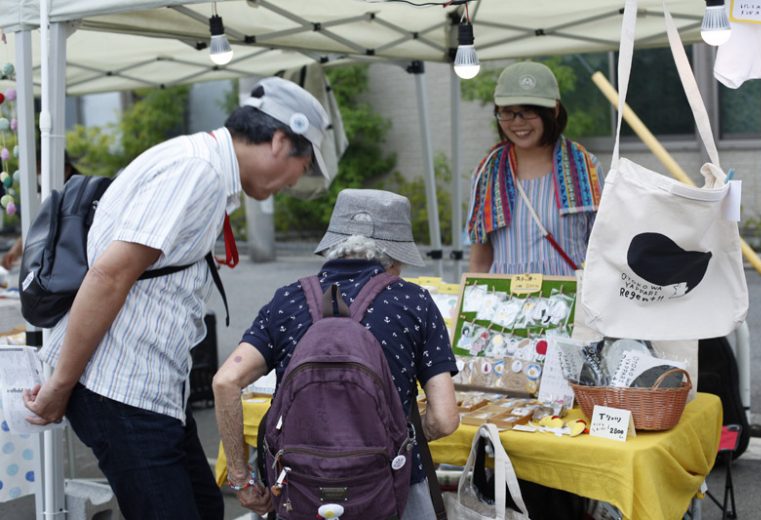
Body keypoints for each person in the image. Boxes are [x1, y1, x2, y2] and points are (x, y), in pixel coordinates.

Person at [21, 76, 332, 520]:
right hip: (121, 388)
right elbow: (109, 275)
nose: (293, 183)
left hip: (151, 387)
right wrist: (59, 386)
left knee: (206, 508)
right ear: (281, 141)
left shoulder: (201, 163)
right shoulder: (197, 172)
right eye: (305, 167)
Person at [213, 188, 460, 519]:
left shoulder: (287, 300)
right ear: (395, 257)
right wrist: (401, 437)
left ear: (333, 246)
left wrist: (242, 481)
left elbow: (225, 382)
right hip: (394, 486)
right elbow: (444, 419)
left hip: (301, 489)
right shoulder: (414, 303)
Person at [466, 61, 604, 275]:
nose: (517, 122)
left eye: (529, 111)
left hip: (569, 302)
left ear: (554, 110)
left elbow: (603, 251)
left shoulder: (587, 167)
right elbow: (480, 262)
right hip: (504, 304)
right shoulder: (487, 172)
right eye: (508, 112)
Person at [1, 150, 80, 269]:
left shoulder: (77, 196)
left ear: (66, 169)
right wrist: (14, 251)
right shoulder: (44, 195)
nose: (38, 174)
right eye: (36, 170)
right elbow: (36, 225)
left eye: (40, 168)